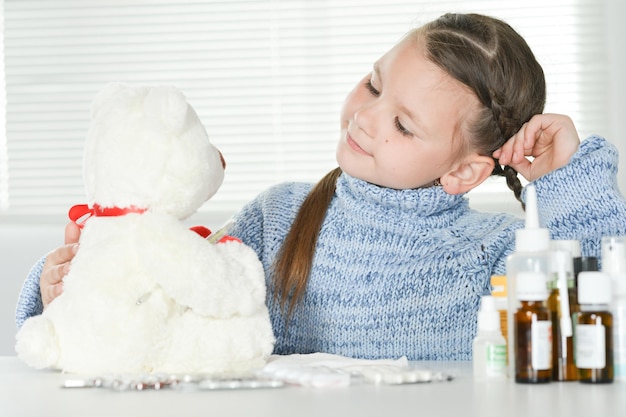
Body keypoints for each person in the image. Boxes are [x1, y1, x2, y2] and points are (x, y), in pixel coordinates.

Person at [16, 13, 626, 361]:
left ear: (465, 171)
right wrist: (61, 291)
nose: (365, 115)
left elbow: (597, 325)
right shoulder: (276, 218)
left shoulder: (497, 255)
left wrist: (571, 180)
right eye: (373, 84)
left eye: (403, 124)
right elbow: (158, 311)